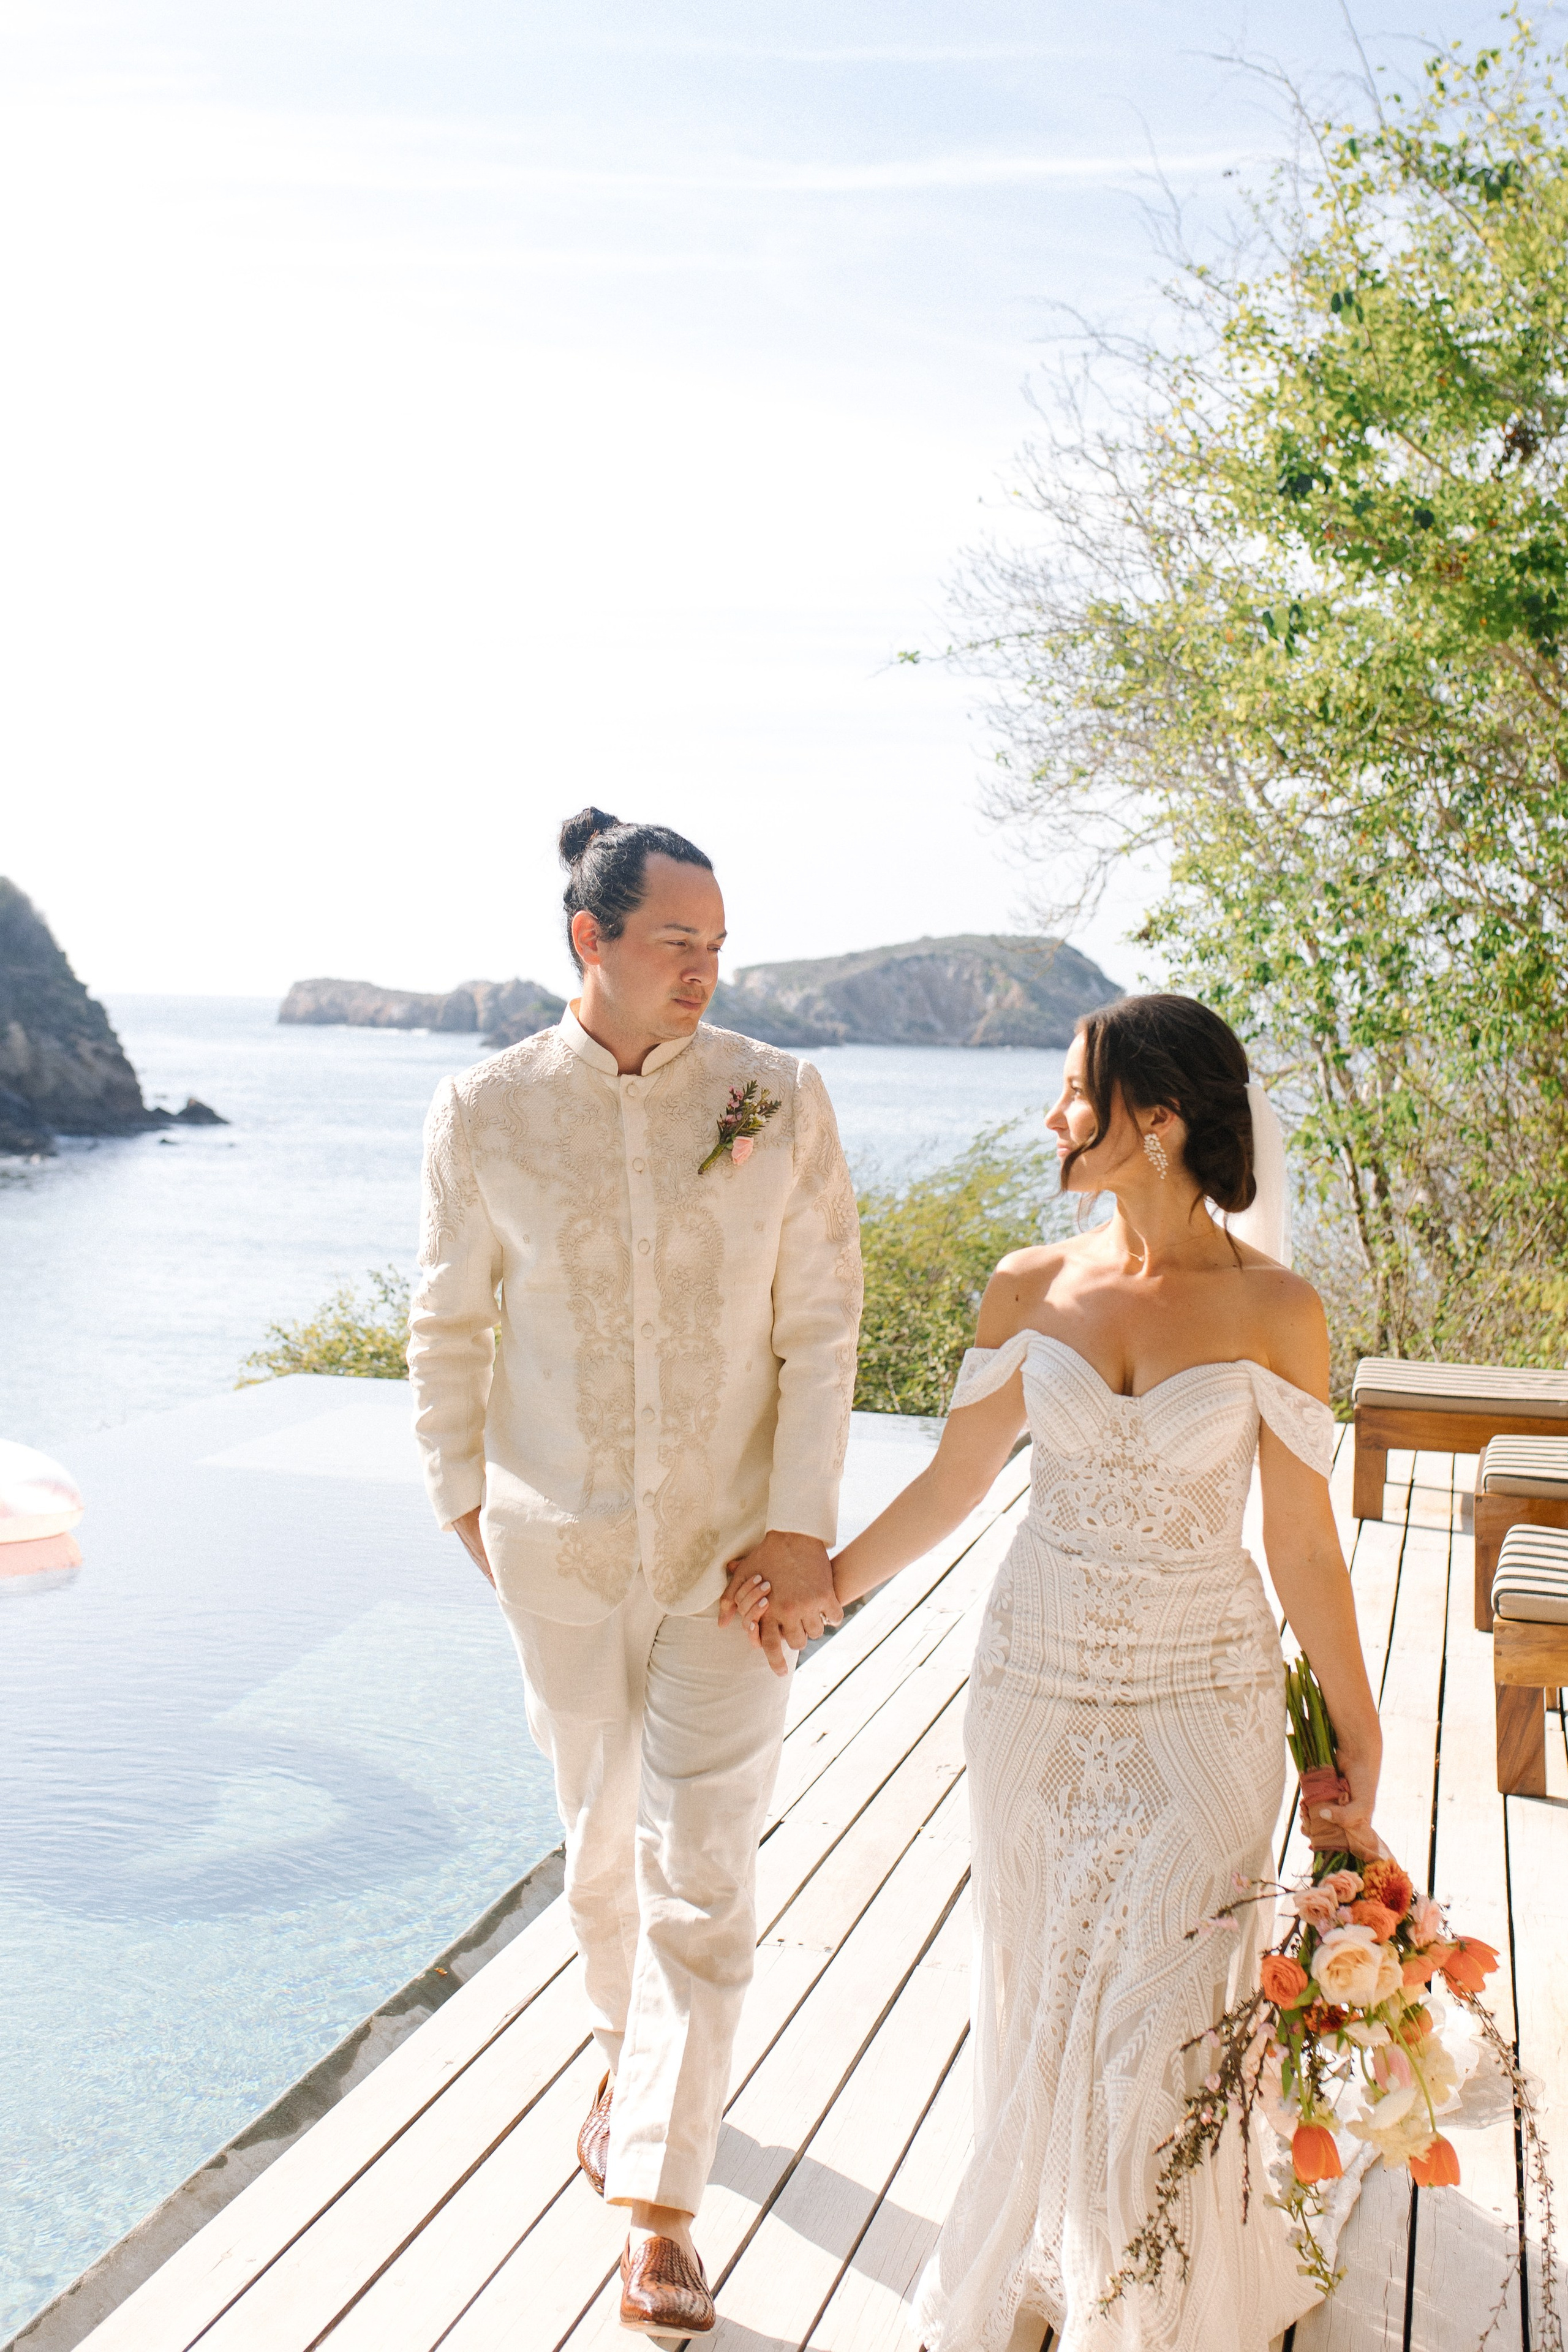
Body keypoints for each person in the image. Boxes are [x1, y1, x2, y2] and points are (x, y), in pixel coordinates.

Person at [725, 993, 1382, 2352]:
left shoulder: (1278, 1309)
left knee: (1160, 1998)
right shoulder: (1029, 1283)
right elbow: (957, 1482)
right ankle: (1050, 2266)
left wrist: (1356, 1739)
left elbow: (1304, 1549)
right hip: (1034, 1677)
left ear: (1156, 1121)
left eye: (1071, 1094)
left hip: (1203, 1692)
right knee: (1038, 1980)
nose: (1049, 1118)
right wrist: (824, 1587)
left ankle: (1154, 2296)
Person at [409, 808, 861, 2337]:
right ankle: (626, 2057)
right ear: (589, 941)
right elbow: (446, 1323)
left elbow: (821, 1325)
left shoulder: (777, 1099)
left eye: (720, 947)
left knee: (705, 1866)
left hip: (731, 1562)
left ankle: (656, 2204)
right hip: (555, 1548)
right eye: (679, 942)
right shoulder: (482, 1111)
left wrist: (800, 1523)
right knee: (598, 1851)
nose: (705, 972)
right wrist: (463, 1499)